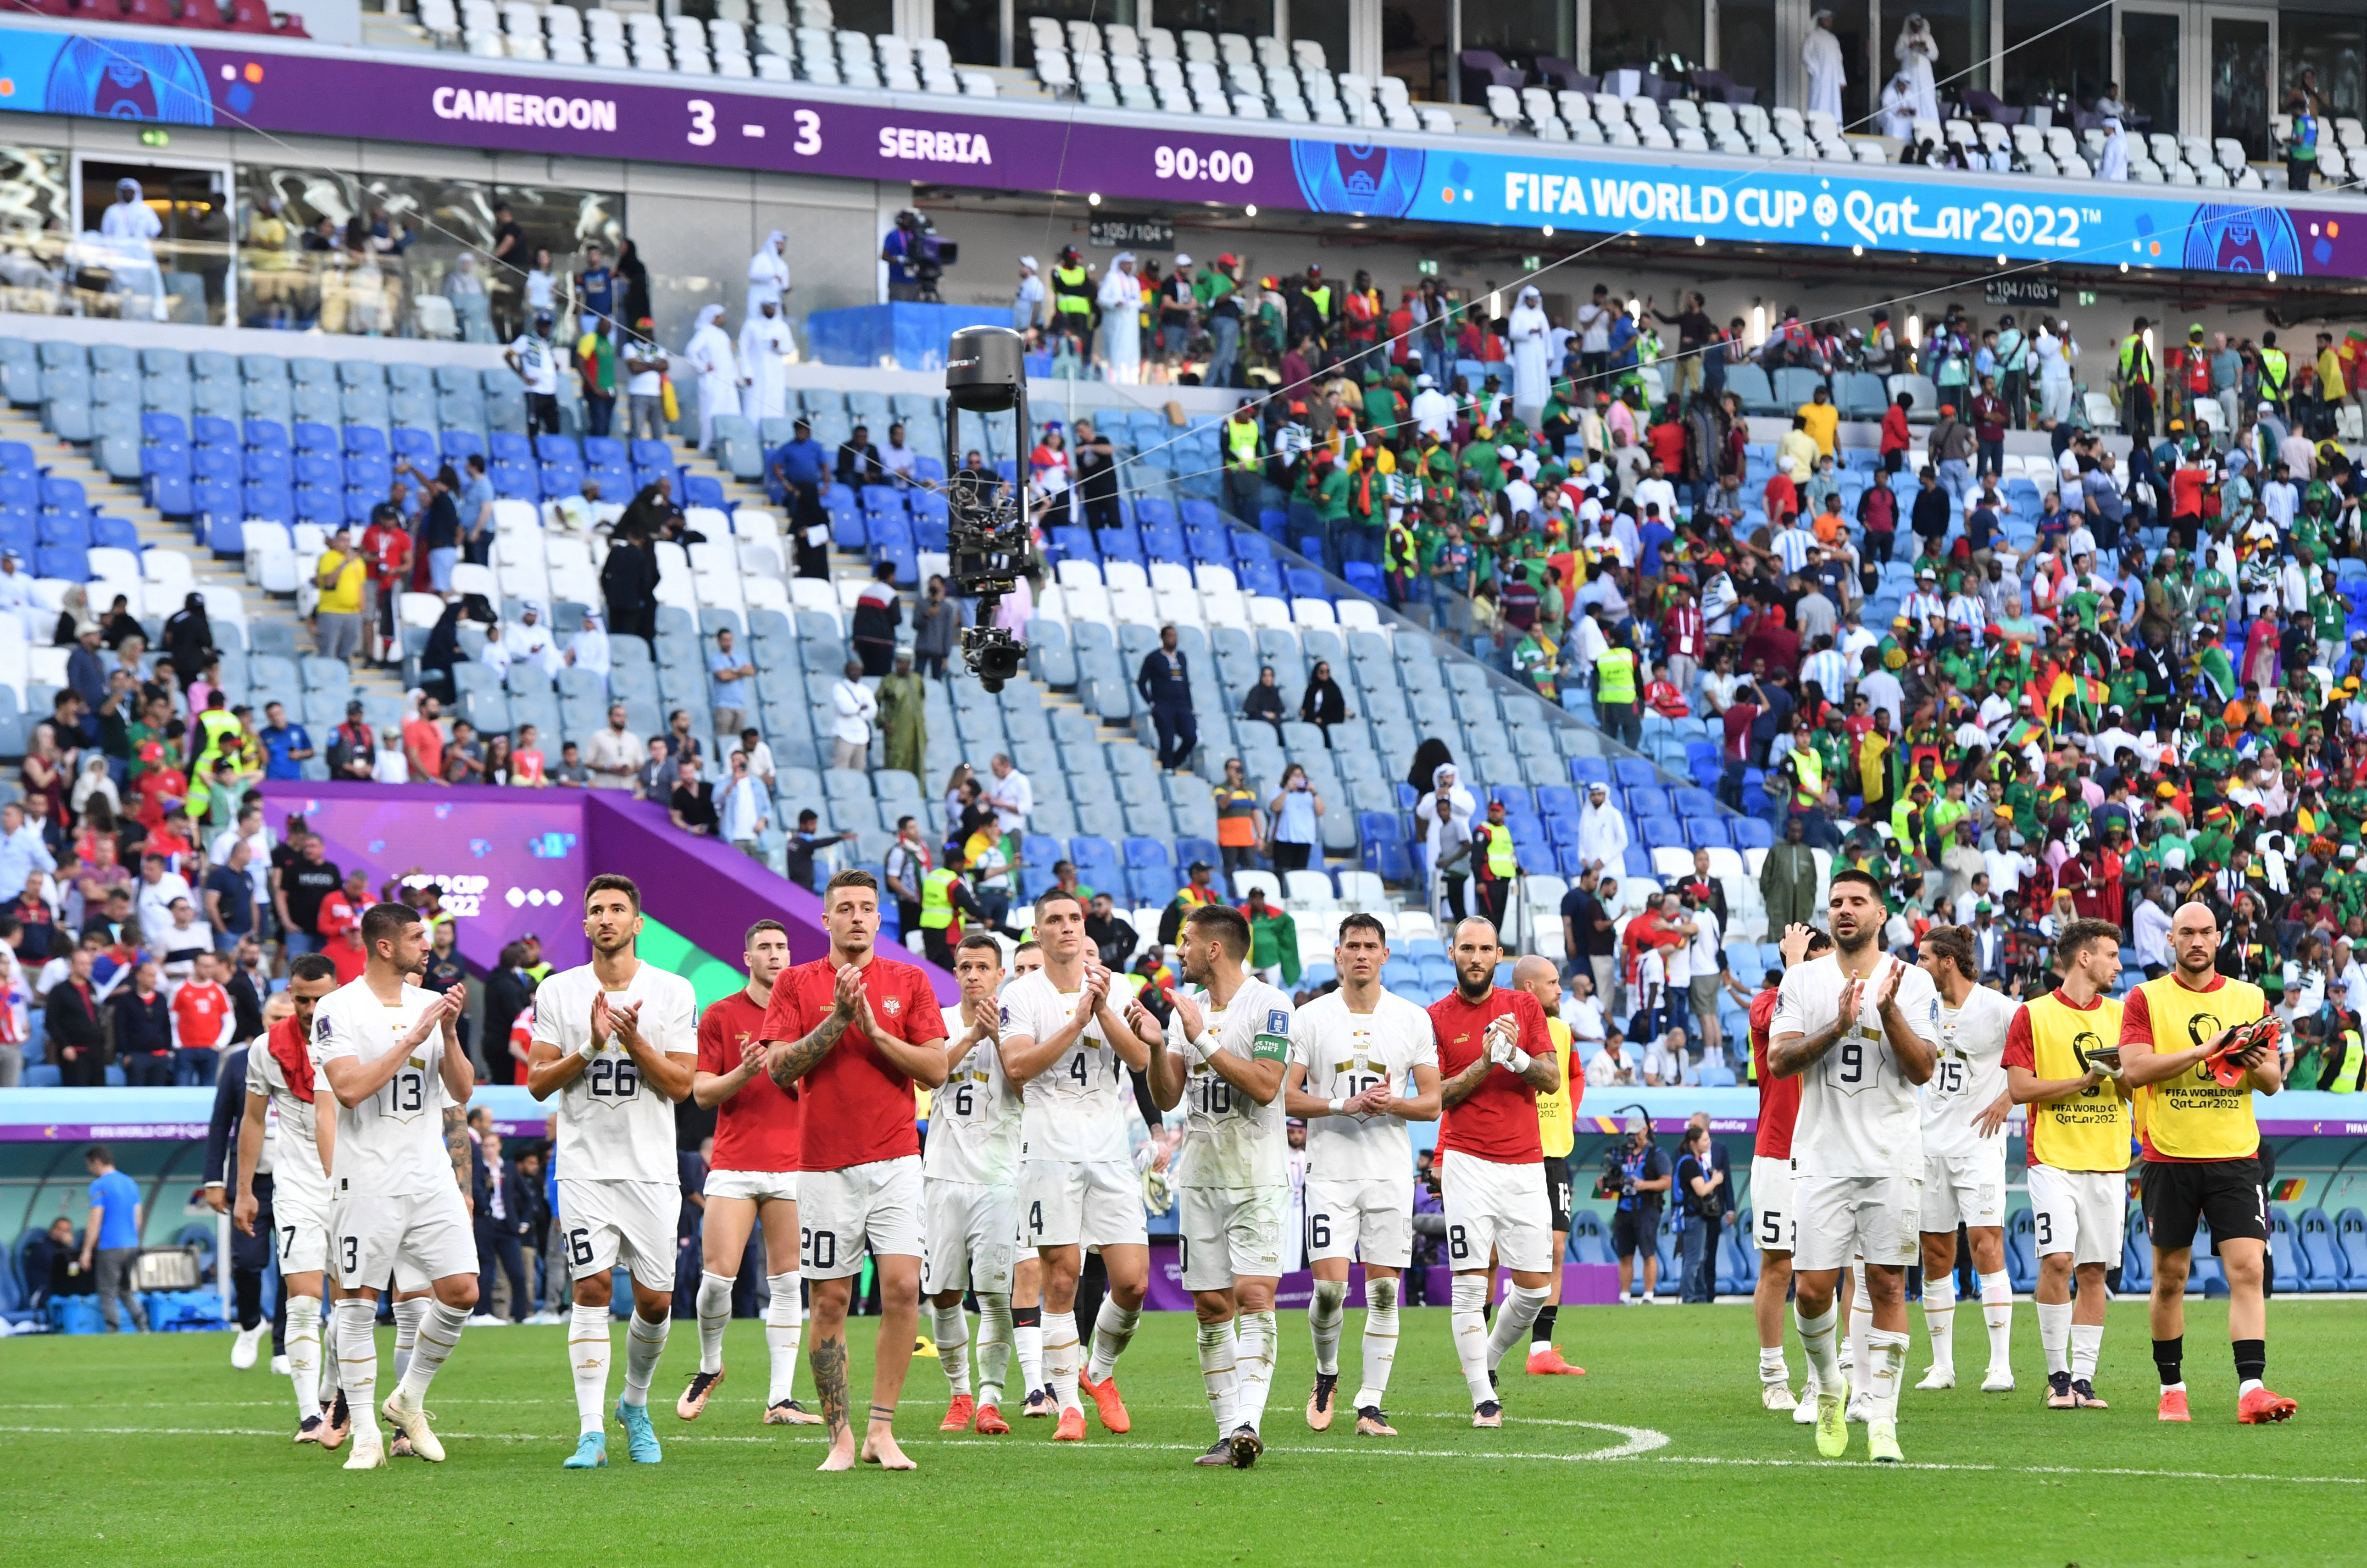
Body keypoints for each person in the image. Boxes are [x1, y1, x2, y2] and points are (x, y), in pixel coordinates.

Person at [755, 869, 950, 1471]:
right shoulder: (794, 982)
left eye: (868, 906)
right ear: (827, 919)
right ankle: (840, 1434)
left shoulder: (909, 980)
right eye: (846, 907)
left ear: (879, 917)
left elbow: (936, 1068)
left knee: (901, 1288)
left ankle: (881, 1431)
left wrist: (870, 1026)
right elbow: (780, 1069)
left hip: (896, 1159)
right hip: (822, 1167)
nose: (858, 916)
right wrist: (839, 1019)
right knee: (831, 1299)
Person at [1766, 868, 1940, 1465]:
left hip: (1892, 1157)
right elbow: (1780, 1059)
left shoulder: (1913, 982)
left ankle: (1885, 1421)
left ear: (1881, 912)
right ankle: (1830, 1386)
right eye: (1836, 901)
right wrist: (1838, 1024)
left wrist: (1887, 1013)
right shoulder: (1803, 979)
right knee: (1813, 1290)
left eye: (1857, 901)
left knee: (1889, 1283)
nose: (1845, 910)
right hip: (1821, 1157)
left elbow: (1922, 1070)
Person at [523, 876, 696, 1468]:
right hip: (584, 1168)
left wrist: (632, 1039)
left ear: (638, 922)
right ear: (585, 924)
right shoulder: (558, 991)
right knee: (592, 1287)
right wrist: (592, 1047)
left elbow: (681, 1084)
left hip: (650, 1170)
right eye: (596, 909)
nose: (606, 918)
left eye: (618, 908)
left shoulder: (673, 990)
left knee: (656, 1300)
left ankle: (635, 1402)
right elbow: (539, 1082)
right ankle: (590, 1430)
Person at [313, 901, 478, 1470]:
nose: (426, 944)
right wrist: (410, 1039)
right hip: (367, 1178)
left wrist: (449, 1033)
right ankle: (363, 1433)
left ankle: (408, 1399)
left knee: (462, 1291)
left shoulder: (430, 1006)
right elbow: (350, 1089)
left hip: (428, 1173)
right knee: (357, 1303)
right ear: (385, 945)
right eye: (416, 937)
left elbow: (463, 1090)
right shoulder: (337, 1008)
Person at [2119, 901, 2296, 1424]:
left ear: (2219, 938)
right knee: (2170, 1276)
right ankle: (2172, 1388)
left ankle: (2252, 1389)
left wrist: (2248, 1057)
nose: (2197, 941)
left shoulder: (2248, 996)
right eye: (2186, 933)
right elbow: (2133, 1069)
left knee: (2247, 1267)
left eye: (2206, 932)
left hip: (2236, 1156)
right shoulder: (2145, 997)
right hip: (2168, 1156)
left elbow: (2271, 1082)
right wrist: (2207, 1050)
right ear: (2170, 940)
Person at [1140, 902, 1300, 1466]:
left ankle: (1250, 1420)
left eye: (1185, 941)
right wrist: (1160, 1046)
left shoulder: (1271, 1004)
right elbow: (1166, 1096)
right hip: (1202, 1177)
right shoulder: (1190, 1010)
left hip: (1257, 1178)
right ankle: (1230, 1428)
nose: (1177, 950)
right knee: (1211, 1306)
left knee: (1255, 1294)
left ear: (1214, 948)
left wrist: (1199, 1039)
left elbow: (1264, 1084)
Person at [995, 888, 1156, 1441]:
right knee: (1060, 1278)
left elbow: (1140, 1059)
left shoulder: (1116, 985)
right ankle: (1069, 1404)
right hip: (1049, 1150)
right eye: (1055, 920)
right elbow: (1017, 1066)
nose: (1066, 927)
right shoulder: (1020, 994)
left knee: (1133, 1282)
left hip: (1109, 1148)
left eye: (1074, 918)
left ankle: (1098, 1372)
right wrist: (1075, 1023)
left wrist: (1103, 1007)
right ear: (1038, 933)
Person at [1282, 913, 1442, 1436]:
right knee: (1329, 1291)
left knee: (1383, 1293)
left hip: (1389, 1175)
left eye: (1371, 945)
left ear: (1385, 955)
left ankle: (1371, 1402)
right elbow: (1286, 1094)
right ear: (1337, 954)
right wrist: (1343, 1104)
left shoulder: (1412, 1017)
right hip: (1330, 1172)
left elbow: (1433, 1101)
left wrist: (1389, 1102)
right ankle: (1326, 1372)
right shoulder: (1310, 1016)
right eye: (1352, 945)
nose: (1361, 954)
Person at [681, 918, 822, 1427]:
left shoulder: (808, 1015)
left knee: (787, 1282)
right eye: (764, 946)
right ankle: (709, 1365)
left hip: (793, 1165)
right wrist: (744, 1069)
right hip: (736, 1163)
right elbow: (701, 1093)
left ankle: (780, 1398)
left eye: (782, 946)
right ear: (748, 957)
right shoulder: (721, 1014)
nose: (775, 953)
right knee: (717, 1279)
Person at [1422, 916, 1562, 1427]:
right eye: (1467, 948)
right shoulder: (1435, 1016)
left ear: (1499, 955)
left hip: (1525, 1162)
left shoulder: (1524, 1006)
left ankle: (1488, 1361)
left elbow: (1550, 1079)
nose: (1476, 957)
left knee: (1533, 1288)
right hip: (1467, 1162)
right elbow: (1438, 1096)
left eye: (1485, 948)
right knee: (1468, 1282)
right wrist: (1487, 1061)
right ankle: (1484, 1397)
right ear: (1453, 953)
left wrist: (1518, 1057)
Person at [2003, 916, 2130, 1412]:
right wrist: (2079, 1081)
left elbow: (2136, 1086)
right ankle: (2057, 1378)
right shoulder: (2032, 1015)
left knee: (2094, 1270)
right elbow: (2019, 1088)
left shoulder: (2123, 1015)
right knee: (2058, 1260)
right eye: (2112, 955)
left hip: (2107, 1158)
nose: (2119, 965)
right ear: (2085, 957)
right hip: (2052, 1156)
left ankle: (2084, 1379)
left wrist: (2117, 1073)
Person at [1911, 923, 2021, 1396]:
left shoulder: (1998, 1008)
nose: (1919, 965)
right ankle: (1942, 1365)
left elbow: (2037, 1053)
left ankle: (2000, 1364)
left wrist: (2010, 1097)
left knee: (1985, 1244)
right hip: (1927, 1144)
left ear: (1948, 961)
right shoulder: (1919, 1005)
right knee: (1935, 1251)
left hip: (1978, 1143)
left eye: (1924, 958)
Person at [923, 934, 1025, 1434]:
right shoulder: (936, 1021)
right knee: (943, 1291)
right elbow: (927, 1078)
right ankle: (958, 1393)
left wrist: (999, 1036)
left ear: (1000, 973)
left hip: (999, 1177)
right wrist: (972, 1036)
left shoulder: (1019, 1024)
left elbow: (1028, 1084)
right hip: (942, 1174)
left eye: (983, 966)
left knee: (994, 1293)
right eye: (965, 966)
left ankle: (989, 1398)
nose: (973, 975)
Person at [1511, 954, 1584, 1373]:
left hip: (1554, 1152)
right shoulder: (1504, 1030)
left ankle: (1541, 1349)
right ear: (1530, 990)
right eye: (1554, 983)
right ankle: (1480, 1350)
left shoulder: (1561, 1030)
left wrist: (1568, 1111)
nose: (1561, 990)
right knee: (1496, 1253)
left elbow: (1575, 1075)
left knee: (1556, 1247)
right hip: (1513, 1153)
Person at [81, 1144, 148, 1333]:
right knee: (125, 1290)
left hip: (111, 1246)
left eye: (90, 1166)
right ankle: (143, 1326)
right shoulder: (130, 1183)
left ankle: (113, 1330)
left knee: (107, 1292)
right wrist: (132, 1238)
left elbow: (96, 1218)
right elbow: (138, 1215)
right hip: (131, 1244)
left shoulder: (100, 1185)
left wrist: (86, 1251)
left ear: (97, 1162)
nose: (89, 1170)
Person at [1674, 1121, 1729, 1303]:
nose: (1709, 1143)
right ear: (1693, 1143)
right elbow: (1701, 1190)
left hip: (1698, 1217)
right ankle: (1689, 1297)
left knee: (1699, 1257)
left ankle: (1699, 1295)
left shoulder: (1696, 1162)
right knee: (1693, 1259)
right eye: (1705, 1140)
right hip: (1693, 1217)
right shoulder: (1690, 1164)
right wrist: (1715, 1180)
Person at [1137, 624, 1196, 773]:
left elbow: (1186, 682)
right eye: (1170, 636)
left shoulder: (1181, 657)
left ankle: (1172, 763)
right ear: (1163, 638)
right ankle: (1168, 771)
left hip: (1182, 705)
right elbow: (1142, 682)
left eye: (1175, 636)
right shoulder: (1154, 658)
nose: (1173, 639)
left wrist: (1190, 705)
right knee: (1167, 739)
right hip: (1163, 705)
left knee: (1191, 737)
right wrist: (1151, 703)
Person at [684, 304, 740, 452]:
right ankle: (706, 446)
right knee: (710, 414)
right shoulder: (704, 333)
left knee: (730, 412)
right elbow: (691, 352)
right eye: (721, 316)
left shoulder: (722, 335)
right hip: (712, 382)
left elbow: (729, 358)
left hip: (727, 383)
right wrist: (703, 366)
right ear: (714, 318)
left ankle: (726, 449)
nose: (724, 319)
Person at [738, 297, 794, 423]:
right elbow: (744, 349)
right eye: (768, 307)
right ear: (762, 308)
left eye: (774, 307)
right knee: (754, 405)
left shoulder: (782, 327)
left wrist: (778, 346)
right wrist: (747, 372)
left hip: (775, 375)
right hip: (755, 374)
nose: (771, 310)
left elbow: (789, 348)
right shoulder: (751, 325)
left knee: (774, 405)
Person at [829, 659, 876, 773]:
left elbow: (873, 710)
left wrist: (858, 710)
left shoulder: (865, 690)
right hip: (844, 734)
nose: (856, 673)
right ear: (846, 672)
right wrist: (860, 707)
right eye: (853, 670)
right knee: (841, 769)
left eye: (859, 670)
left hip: (862, 736)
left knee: (859, 770)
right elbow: (845, 708)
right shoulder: (839, 688)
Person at [1803, 7, 1846, 121]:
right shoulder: (1813, 37)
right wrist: (1816, 71)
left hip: (1833, 79)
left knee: (1833, 104)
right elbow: (1805, 56)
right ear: (1820, 21)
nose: (1829, 22)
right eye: (1827, 20)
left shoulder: (1833, 39)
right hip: (1820, 79)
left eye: (1830, 20)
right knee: (1819, 102)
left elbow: (1839, 60)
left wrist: (1841, 80)